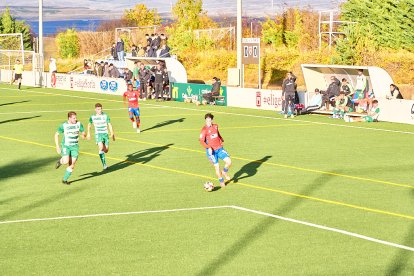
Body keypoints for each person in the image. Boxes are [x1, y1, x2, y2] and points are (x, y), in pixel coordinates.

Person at [199, 113, 232, 188]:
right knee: (217, 167)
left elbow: (218, 134)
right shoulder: (204, 130)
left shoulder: (215, 126)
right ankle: (221, 181)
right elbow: (201, 141)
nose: (208, 122)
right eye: (207, 120)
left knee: (229, 162)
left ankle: (224, 172)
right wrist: (208, 147)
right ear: (205, 120)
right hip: (212, 152)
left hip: (220, 149)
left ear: (212, 120)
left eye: (210, 120)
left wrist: (221, 139)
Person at [54, 111, 86, 185]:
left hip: (75, 147)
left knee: (72, 165)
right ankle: (60, 161)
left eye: (76, 118)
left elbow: (84, 133)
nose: (75, 119)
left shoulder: (79, 124)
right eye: (74, 118)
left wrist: (84, 135)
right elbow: (56, 135)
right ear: (69, 118)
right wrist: (57, 146)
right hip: (66, 146)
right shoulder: (64, 125)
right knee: (65, 161)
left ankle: (64, 180)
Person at [87, 103, 115, 170]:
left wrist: (112, 133)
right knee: (101, 147)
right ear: (95, 109)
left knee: (106, 150)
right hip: (98, 134)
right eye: (98, 109)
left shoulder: (105, 116)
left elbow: (109, 124)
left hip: (105, 134)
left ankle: (102, 151)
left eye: (101, 109)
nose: (100, 110)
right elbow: (89, 124)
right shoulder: (92, 117)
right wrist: (88, 133)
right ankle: (104, 165)